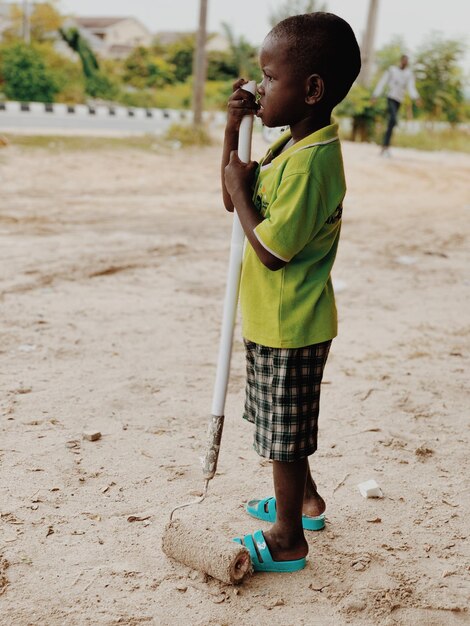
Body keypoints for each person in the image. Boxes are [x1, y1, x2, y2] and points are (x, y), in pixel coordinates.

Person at [221, 12, 361, 573]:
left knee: (285, 435)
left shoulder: (313, 164)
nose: (259, 87)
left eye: (269, 77)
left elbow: (272, 251)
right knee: (280, 424)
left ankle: (288, 537)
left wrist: (239, 186)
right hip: (268, 317)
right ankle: (303, 500)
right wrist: (232, 133)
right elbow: (234, 200)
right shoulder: (291, 146)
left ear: (312, 89)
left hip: (292, 322)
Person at [372, 54, 421, 156]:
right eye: (404, 61)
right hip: (390, 97)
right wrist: (375, 95)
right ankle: (385, 145)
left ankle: (385, 147)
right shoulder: (392, 70)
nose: (405, 63)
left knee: (391, 124)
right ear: (401, 61)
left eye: (406, 61)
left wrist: (416, 98)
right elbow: (382, 82)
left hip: (399, 100)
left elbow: (411, 87)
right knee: (393, 119)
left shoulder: (408, 74)